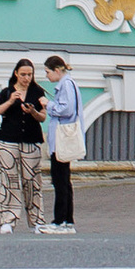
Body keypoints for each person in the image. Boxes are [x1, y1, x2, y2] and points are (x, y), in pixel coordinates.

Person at [0, 60, 46, 232]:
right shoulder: (7, 91)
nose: (26, 78)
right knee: (9, 180)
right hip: (8, 140)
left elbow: (43, 117)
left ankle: (37, 221)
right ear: (16, 73)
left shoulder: (37, 91)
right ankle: (8, 220)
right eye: (23, 74)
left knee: (32, 182)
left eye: (29, 74)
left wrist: (33, 112)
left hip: (31, 140)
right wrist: (9, 102)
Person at [42, 54, 82, 231]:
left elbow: (66, 109)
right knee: (64, 180)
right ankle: (67, 220)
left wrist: (48, 104)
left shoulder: (65, 84)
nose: (47, 76)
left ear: (57, 70)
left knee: (60, 180)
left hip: (61, 139)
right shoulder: (68, 84)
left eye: (48, 72)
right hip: (61, 139)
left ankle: (60, 221)